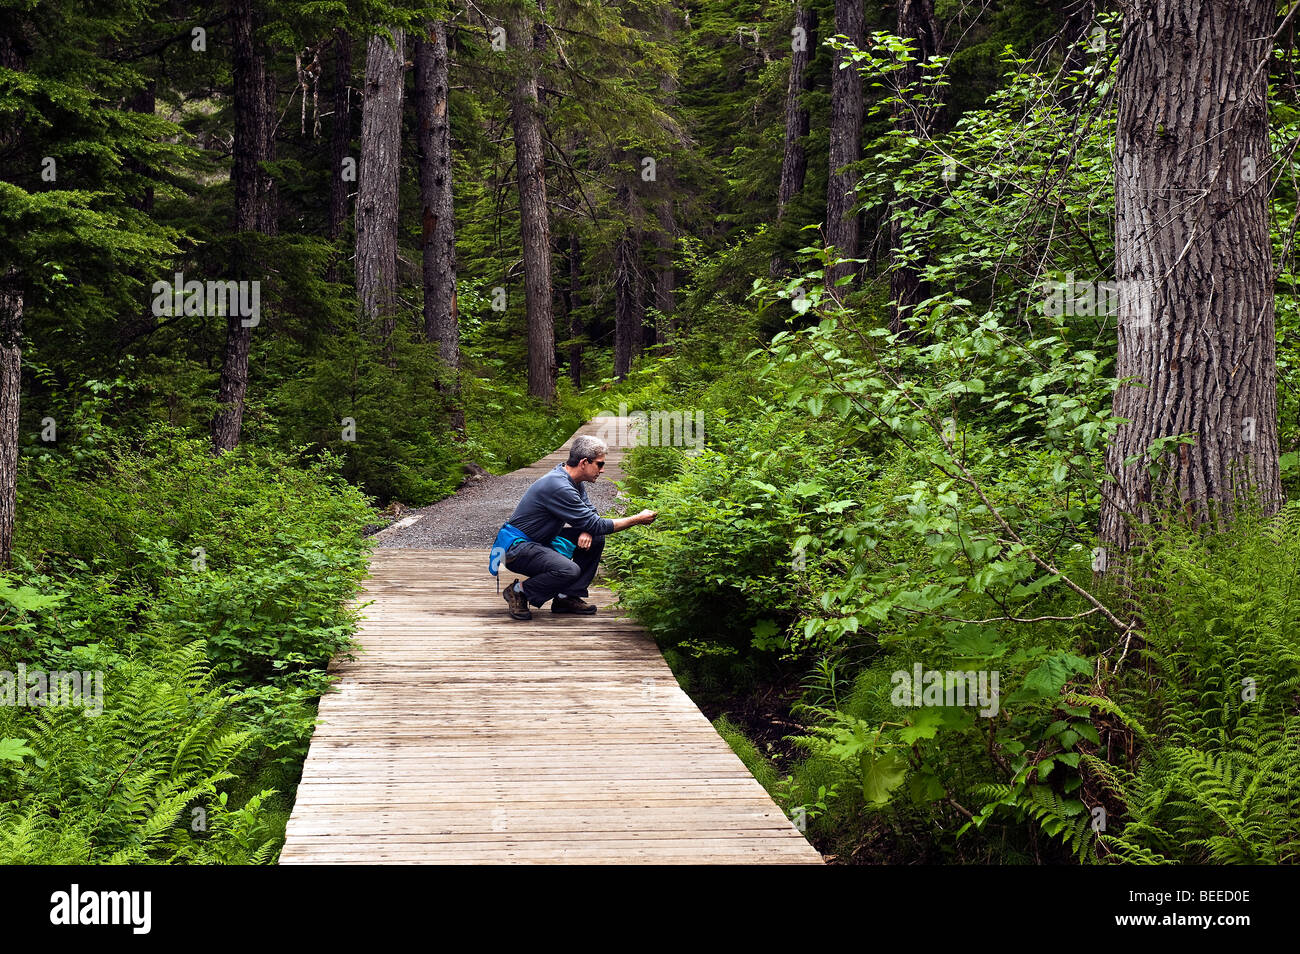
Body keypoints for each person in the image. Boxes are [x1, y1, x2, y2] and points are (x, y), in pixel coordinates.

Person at [498, 434, 656, 620]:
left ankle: (566, 597)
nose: (602, 470)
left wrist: (588, 529)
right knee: (569, 570)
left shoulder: (573, 481)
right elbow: (596, 523)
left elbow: (592, 517)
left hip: (539, 541)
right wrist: (637, 519)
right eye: (600, 464)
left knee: (595, 538)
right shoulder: (558, 485)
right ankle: (519, 591)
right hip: (515, 548)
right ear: (584, 462)